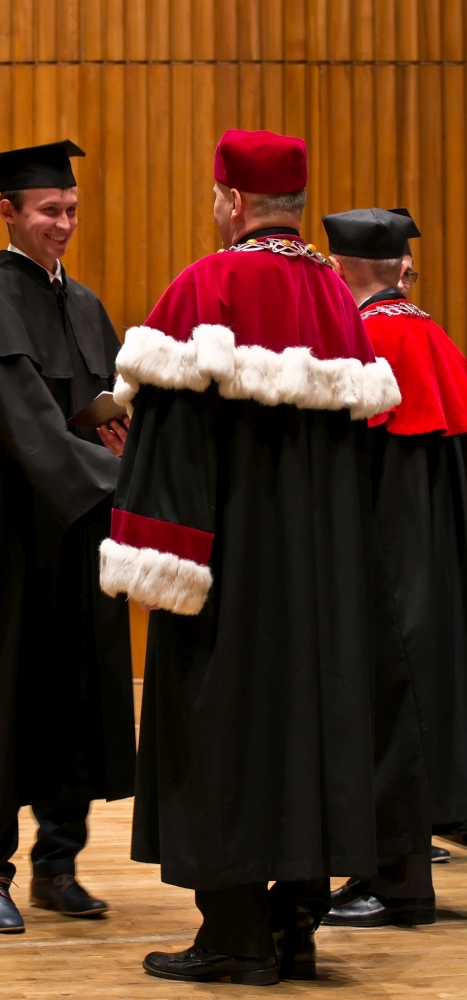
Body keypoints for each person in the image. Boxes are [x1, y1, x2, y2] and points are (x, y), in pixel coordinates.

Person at [100, 129, 400, 985]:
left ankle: (234, 937)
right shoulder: (338, 300)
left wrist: (159, 560)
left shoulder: (210, 286)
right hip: (317, 586)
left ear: (232, 200)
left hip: (230, 577)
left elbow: (173, 447)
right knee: (307, 737)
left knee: (221, 733)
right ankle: (294, 928)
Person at [0, 140, 136, 934]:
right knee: (4, 698)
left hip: (78, 534)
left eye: (72, 209)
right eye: (49, 210)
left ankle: (60, 863)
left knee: (76, 690)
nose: (63, 223)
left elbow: (105, 405)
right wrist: (124, 478)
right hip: (11, 538)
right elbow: (32, 435)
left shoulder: (84, 304)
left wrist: (127, 433)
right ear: (8, 211)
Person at [322, 207, 467, 926]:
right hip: (435, 555)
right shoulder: (431, 332)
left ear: (341, 268)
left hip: (386, 555)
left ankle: (396, 884)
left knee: (388, 705)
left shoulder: (369, 337)